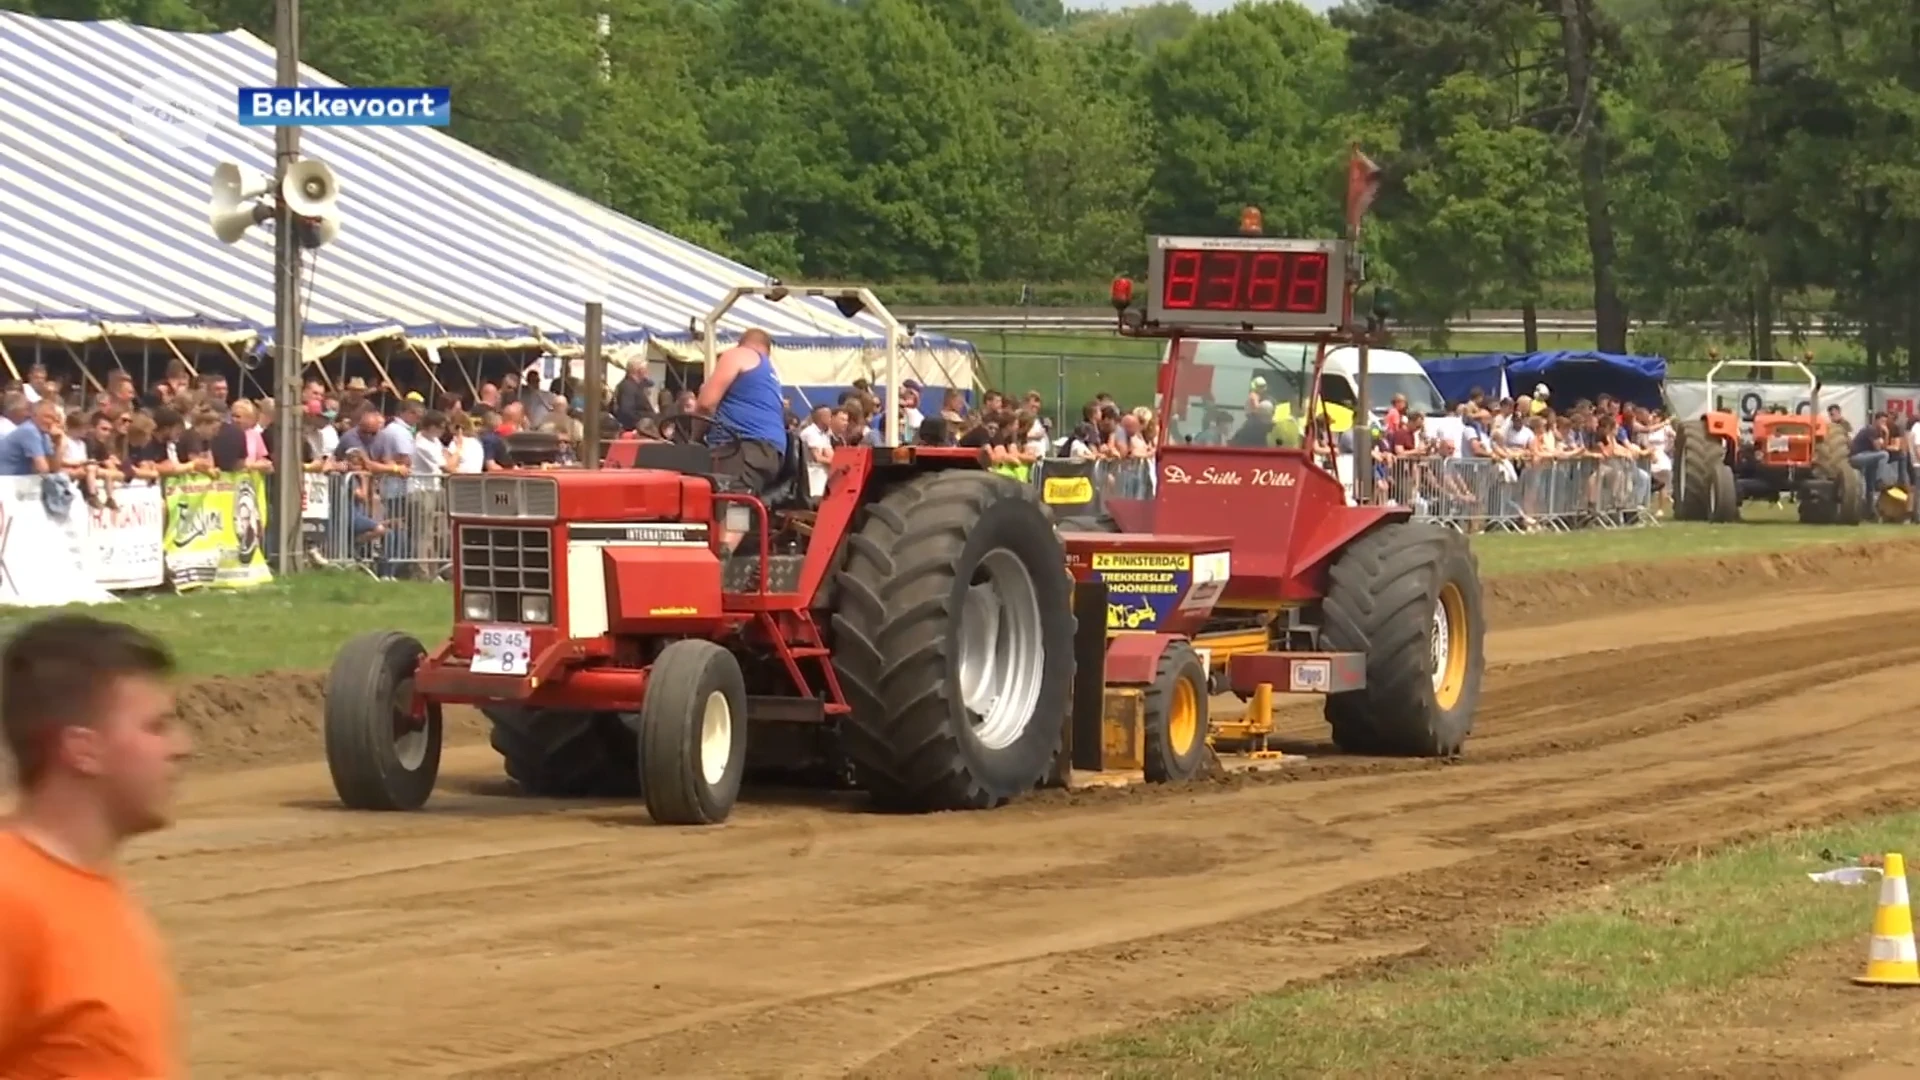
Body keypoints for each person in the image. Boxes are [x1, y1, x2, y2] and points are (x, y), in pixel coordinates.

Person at [0, 616, 190, 1077]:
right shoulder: (12, 901)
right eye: (156, 727)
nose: (182, 746)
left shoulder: (91, 889)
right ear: (83, 750)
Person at [695, 327, 788, 550]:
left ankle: (717, 566)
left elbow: (705, 403)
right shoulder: (770, 375)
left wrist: (691, 437)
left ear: (742, 343)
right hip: (771, 450)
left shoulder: (739, 354)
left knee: (736, 504)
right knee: (740, 503)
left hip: (745, 448)